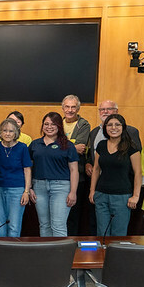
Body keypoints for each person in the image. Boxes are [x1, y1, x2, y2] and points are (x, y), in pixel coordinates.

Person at [88, 114, 142, 236]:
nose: (113, 127)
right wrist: (92, 191)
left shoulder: (131, 147)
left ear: (123, 127)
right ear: (105, 127)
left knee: (119, 234)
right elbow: (96, 169)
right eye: (110, 125)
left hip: (122, 197)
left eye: (117, 124)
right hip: (101, 195)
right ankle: (102, 255)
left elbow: (138, 173)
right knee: (102, 233)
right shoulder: (101, 145)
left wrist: (136, 196)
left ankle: (116, 256)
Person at [28, 112, 79, 237]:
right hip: (39, 187)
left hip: (61, 188)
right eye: (46, 124)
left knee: (58, 225)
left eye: (53, 124)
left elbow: (74, 170)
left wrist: (73, 192)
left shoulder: (68, 145)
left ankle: (61, 255)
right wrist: (29, 188)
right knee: (44, 225)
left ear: (59, 126)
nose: (49, 127)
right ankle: (46, 254)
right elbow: (28, 168)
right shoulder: (35, 144)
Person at [0, 119, 32, 237]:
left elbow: (27, 170)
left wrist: (26, 191)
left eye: (11, 131)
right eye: (4, 130)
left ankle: (12, 252)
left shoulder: (22, 147)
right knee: (0, 225)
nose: (8, 133)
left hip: (17, 190)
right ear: (0, 132)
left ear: (16, 133)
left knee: (14, 225)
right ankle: (1, 250)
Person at [86, 100, 141, 178]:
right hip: (98, 180)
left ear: (116, 111)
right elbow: (91, 153)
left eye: (109, 109)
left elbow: (136, 159)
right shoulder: (93, 132)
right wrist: (88, 164)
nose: (105, 111)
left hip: (122, 180)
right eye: (102, 109)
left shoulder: (131, 132)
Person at [61, 94, 91, 235]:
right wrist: (72, 144)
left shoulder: (84, 124)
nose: (70, 110)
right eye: (67, 106)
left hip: (78, 177)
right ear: (63, 108)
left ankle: (72, 244)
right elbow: (53, 144)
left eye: (73, 107)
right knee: (60, 214)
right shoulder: (56, 123)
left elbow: (81, 148)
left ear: (78, 109)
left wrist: (61, 145)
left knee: (74, 214)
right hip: (60, 175)